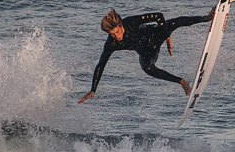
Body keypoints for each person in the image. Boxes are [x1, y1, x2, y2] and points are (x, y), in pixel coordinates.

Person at [78, 6, 215, 103]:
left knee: (172, 23)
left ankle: (207, 18)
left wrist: (165, 35)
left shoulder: (131, 22)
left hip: (155, 35)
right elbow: (101, 65)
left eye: (117, 32)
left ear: (121, 25)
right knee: (147, 68)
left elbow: (158, 16)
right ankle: (182, 82)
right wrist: (93, 89)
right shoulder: (111, 44)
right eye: (112, 34)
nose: (116, 36)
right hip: (147, 52)